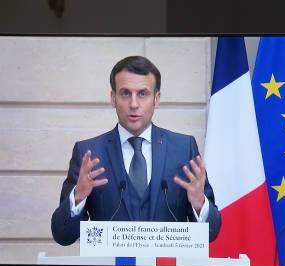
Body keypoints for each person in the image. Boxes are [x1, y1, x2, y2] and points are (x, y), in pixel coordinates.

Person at [51, 56, 221, 245]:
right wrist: (78, 197)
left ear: (156, 98)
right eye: (125, 93)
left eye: (142, 94)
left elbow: (211, 233)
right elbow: (62, 235)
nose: (133, 104)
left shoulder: (183, 148)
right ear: (113, 98)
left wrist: (199, 204)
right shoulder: (89, 153)